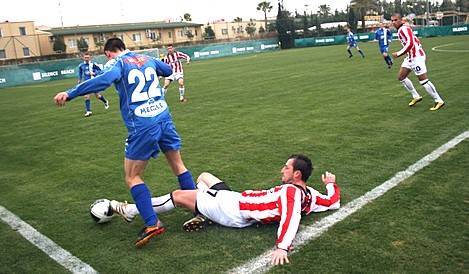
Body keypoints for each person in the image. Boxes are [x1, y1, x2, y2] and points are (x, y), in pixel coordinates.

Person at [54, 38, 197, 248]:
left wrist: (71, 93)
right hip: (164, 117)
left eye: (107, 56)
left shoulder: (117, 63)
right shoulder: (147, 57)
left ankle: (152, 223)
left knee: (132, 176)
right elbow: (167, 69)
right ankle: (200, 209)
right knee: (178, 165)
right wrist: (152, 70)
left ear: (109, 53)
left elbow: (103, 81)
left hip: (142, 124)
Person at [110, 154, 341, 265]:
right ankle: (201, 212)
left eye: (286, 167)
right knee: (204, 177)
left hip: (233, 210)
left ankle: (130, 210)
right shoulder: (309, 194)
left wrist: (282, 247)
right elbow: (332, 202)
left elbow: (291, 219)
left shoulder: (291, 193)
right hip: (236, 200)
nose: (282, 169)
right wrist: (330, 184)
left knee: (178, 196)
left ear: (296, 175)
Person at [390, 13, 445, 110]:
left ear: (400, 20)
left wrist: (398, 53)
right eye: (392, 21)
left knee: (423, 81)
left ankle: (439, 100)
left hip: (416, 57)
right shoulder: (402, 29)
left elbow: (410, 43)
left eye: (395, 20)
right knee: (401, 77)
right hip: (410, 58)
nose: (393, 22)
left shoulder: (404, 29)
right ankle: (416, 96)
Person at [77, 53, 109, 117]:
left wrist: (94, 73)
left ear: (90, 58)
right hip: (86, 83)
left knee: (98, 96)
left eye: (88, 57)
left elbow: (100, 71)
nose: (86, 59)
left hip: (93, 82)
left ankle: (105, 102)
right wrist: (79, 79)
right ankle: (88, 111)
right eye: (85, 57)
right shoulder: (81, 65)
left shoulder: (92, 64)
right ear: (83, 58)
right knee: (86, 96)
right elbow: (80, 72)